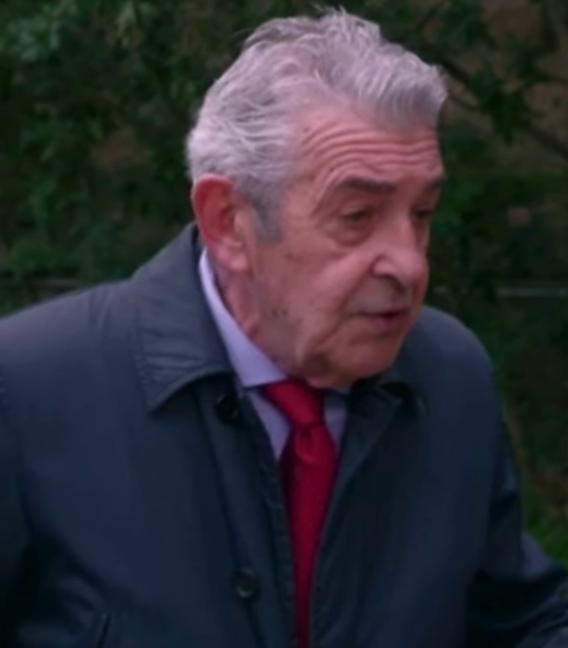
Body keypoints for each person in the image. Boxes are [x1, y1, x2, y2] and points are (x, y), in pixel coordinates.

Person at [0, 8, 567, 648]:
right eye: (357, 216)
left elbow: (522, 620)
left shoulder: (450, 375)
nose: (409, 264)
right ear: (228, 222)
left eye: (422, 214)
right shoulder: (29, 390)